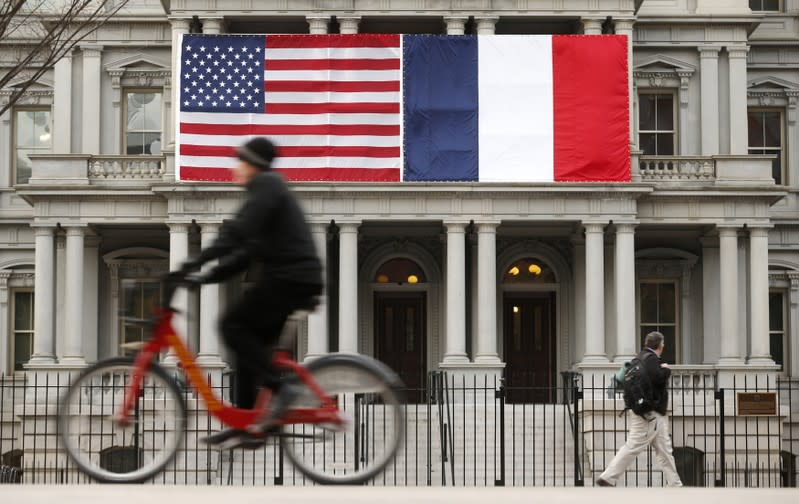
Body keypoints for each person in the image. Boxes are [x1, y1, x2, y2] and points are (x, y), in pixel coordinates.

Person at [178, 137, 323, 449]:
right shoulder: (267, 192)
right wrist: (207, 275)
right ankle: (247, 423)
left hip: (291, 278)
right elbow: (245, 252)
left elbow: (237, 232)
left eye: (241, 162)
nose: (236, 169)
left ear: (254, 164)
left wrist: (195, 261)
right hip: (291, 278)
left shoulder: (267, 186)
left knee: (232, 326)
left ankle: (279, 389)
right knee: (246, 345)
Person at [596, 331, 683, 487]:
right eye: (662, 344)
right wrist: (666, 370)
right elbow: (657, 378)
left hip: (647, 411)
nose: (663, 347)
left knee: (664, 450)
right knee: (634, 445)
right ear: (660, 346)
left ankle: (675, 484)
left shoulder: (638, 358)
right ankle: (608, 476)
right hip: (650, 413)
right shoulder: (651, 360)